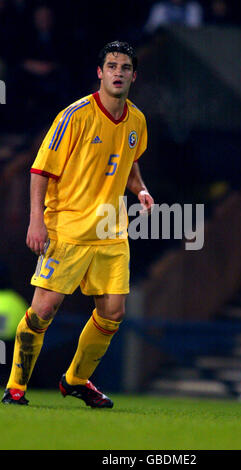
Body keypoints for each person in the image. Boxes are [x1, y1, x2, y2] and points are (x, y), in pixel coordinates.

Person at [2, 41, 154, 407]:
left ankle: (76, 380)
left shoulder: (136, 120)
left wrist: (142, 190)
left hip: (110, 230)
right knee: (43, 311)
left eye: (125, 67)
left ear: (134, 75)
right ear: (100, 73)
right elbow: (40, 171)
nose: (118, 72)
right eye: (112, 66)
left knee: (113, 312)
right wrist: (36, 222)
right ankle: (15, 386)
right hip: (67, 225)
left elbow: (128, 163)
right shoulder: (75, 116)